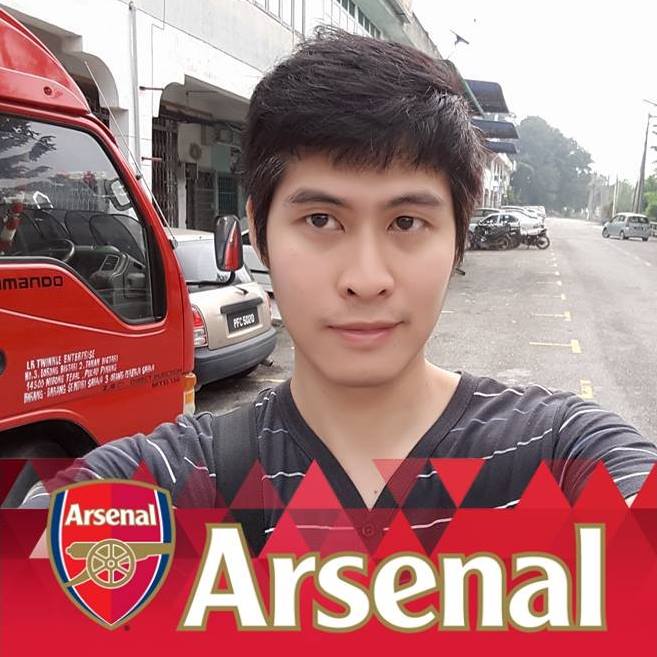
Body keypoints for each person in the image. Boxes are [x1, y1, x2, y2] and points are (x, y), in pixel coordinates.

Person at [20, 29, 656, 549]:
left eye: (407, 223)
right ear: (258, 232)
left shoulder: (558, 452)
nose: (366, 280)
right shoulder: (174, 478)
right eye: (321, 220)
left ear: (458, 238)